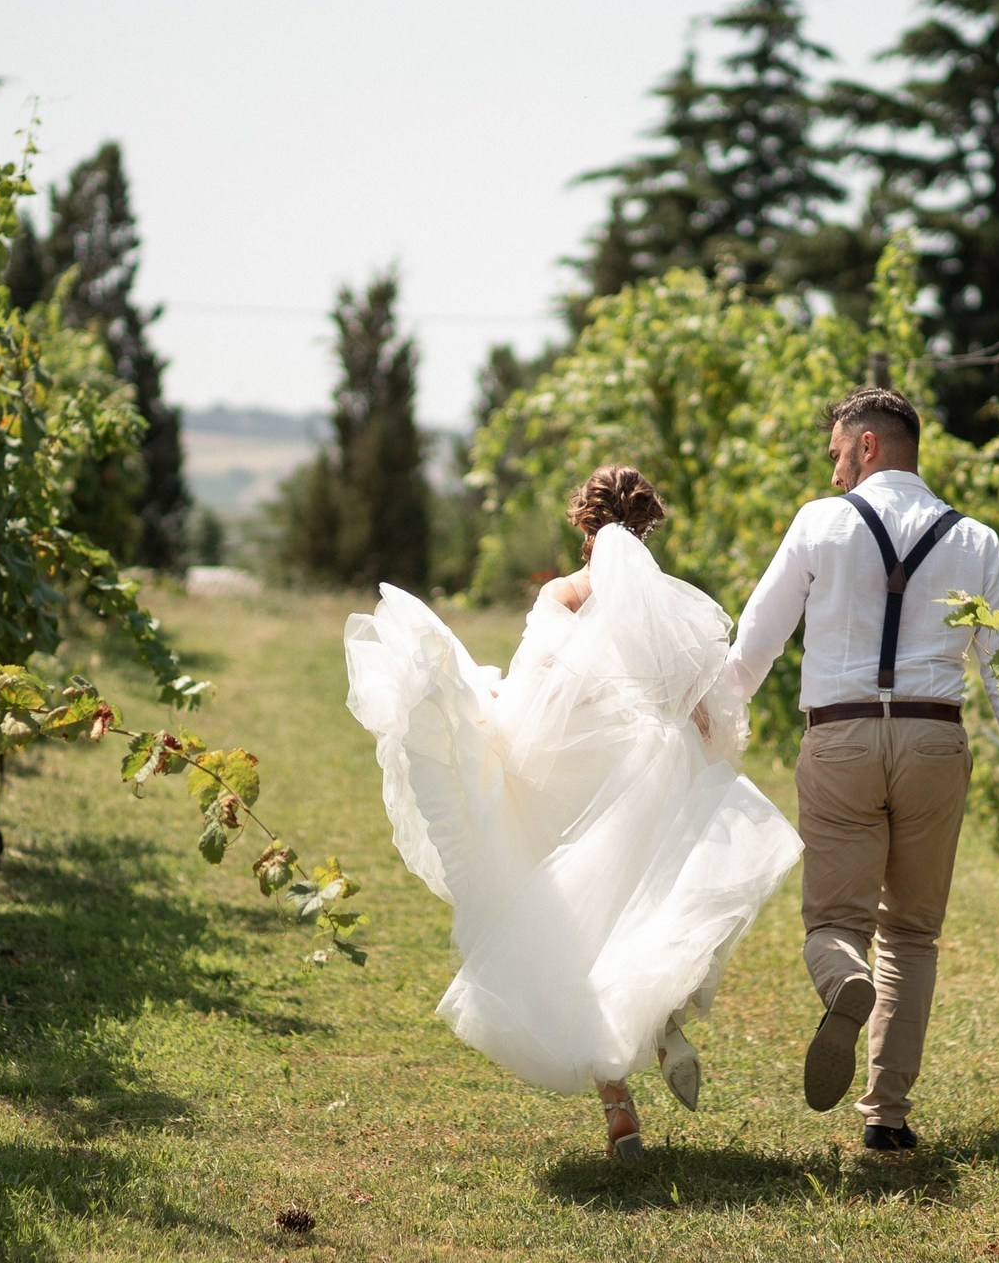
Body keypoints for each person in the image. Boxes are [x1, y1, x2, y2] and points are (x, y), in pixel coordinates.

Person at [344, 465, 802, 1160]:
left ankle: (618, 1101)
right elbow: (705, 711)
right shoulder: (662, 604)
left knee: (577, 936)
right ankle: (666, 1021)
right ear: (645, 528)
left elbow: (533, 693)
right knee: (652, 905)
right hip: (653, 770)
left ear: (584, 527)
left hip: (573, 779)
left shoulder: (563, 594)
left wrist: (484, 709)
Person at [720, 386, 999, 1154]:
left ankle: (842, 973)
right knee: (911, 933)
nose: (835, 469)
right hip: (933, 745)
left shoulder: (820, 522)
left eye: (839, 452)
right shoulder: (975, 540)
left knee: (833, 923)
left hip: (840, 739)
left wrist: (710, 721)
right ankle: (886, 1116)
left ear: (869, 445)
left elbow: (755, 643)